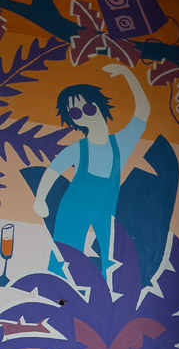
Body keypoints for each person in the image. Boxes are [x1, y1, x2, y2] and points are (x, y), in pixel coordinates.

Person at [33, 65, 150, 276]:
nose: (84, 115)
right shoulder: (78, 148)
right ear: (73, 120)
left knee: (111, 260)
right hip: (74, 208)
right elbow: (53, 169)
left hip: (106, 211)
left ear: (98, 105)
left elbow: (143, 112)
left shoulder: (121, 144)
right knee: (64, 256)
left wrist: (128, 74)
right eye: (76, 113)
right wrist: (40, 199)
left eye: (88, 108)